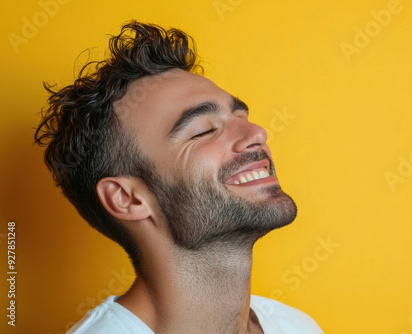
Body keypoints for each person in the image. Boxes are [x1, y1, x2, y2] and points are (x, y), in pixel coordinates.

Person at [34, 21, 324, 334]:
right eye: (204, 130)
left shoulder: (296, 325)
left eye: (241, 117)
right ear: (128, 198)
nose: (257, 133)